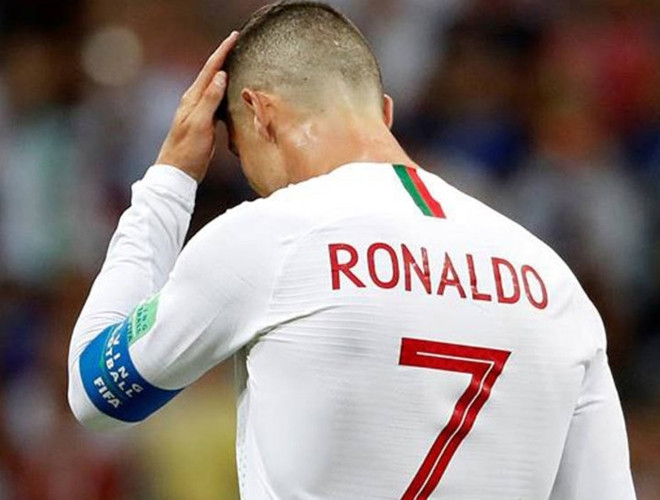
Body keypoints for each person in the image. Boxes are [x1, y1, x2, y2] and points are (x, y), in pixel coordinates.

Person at [67, 2, 636, 498]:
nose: (254, 182)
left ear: (260, 115)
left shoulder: (270, 236)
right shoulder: (552, 282)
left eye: (240, 154)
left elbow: (95, 393)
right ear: (384, 113)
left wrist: (168, 183)